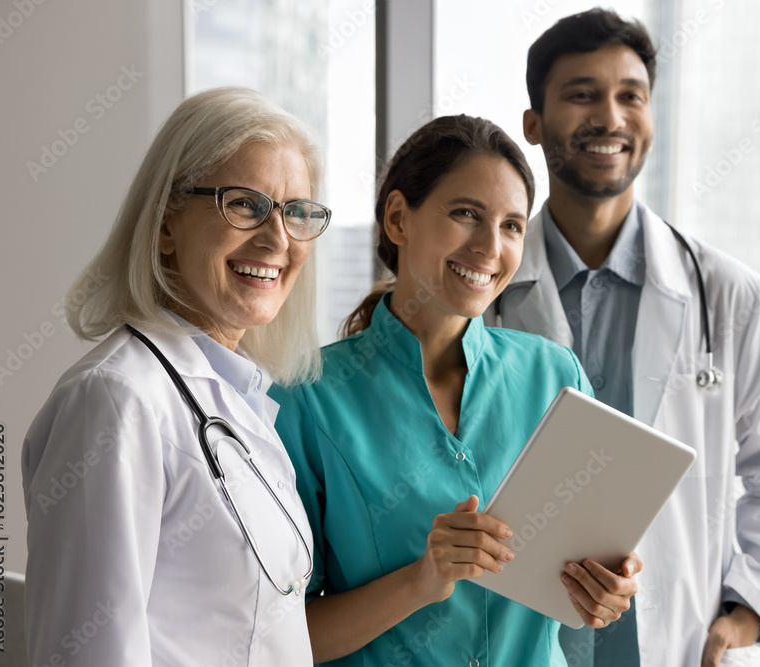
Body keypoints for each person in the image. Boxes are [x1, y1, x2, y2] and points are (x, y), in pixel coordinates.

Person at [487, 8, 760, 667]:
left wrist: (747, 611)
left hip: (672, 641)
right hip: (521, 642)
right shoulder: (486, 295)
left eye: (631, 96)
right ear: (532, 124)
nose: (611, 118)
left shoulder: (726, 295)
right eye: (582, 94)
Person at [268, 114, 642, 666]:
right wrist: (421, 580)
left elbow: (588, 566)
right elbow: (282, 638)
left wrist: (609, 588)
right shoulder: (308, 399)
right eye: (466, 214)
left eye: (513, 225)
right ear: (398, 218)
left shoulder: (555, 376)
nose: (490, 247)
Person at [21, 87, 330, 666]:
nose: (276, 239)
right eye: (245, 204)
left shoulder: (239, 398)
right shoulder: (116, 400)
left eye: (295, 212)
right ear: (166, 223)